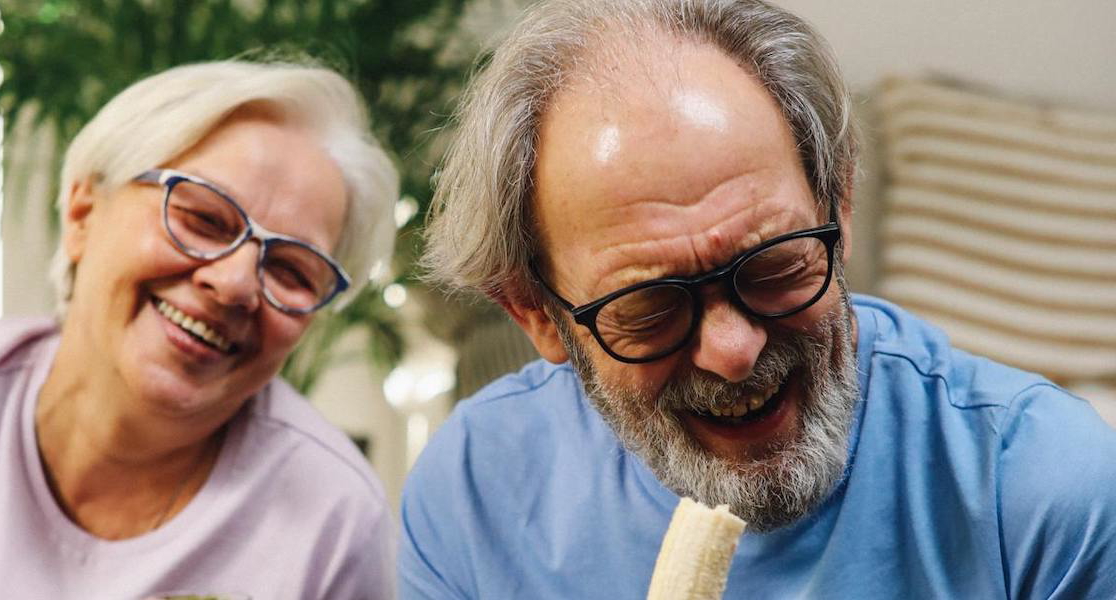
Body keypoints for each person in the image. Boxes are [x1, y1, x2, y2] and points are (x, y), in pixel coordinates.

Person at [404, 0, 1116, 598]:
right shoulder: (474, 495)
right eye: (650, 306)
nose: (734, 352)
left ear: (838, 203)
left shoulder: (1043, 490)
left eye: (773, 266)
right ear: (535, 313)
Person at [0, 59, 398, 599]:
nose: (234, 284)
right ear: (82, 213)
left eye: (292, 270)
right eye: (204, 219)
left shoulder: (334, 521)